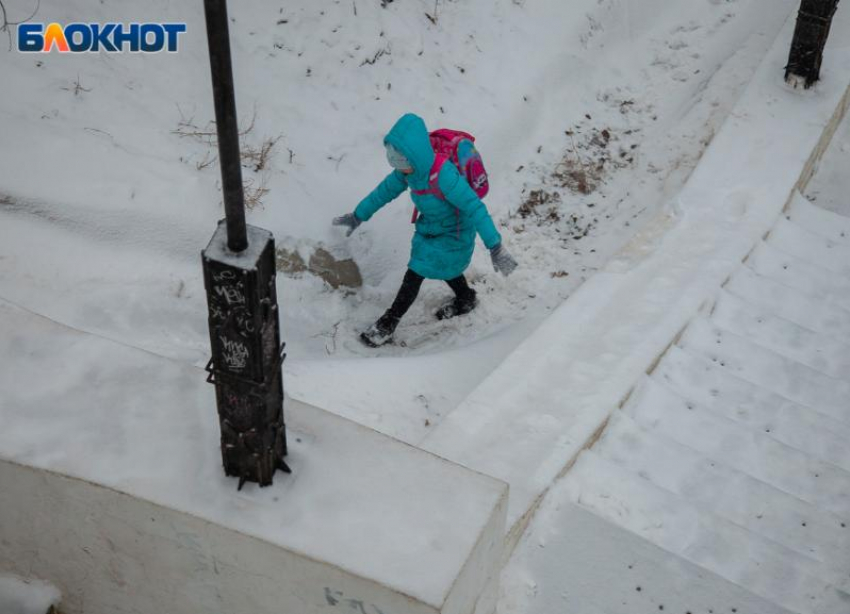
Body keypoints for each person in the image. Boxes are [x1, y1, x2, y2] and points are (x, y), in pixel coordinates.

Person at [334, 113, 518, 347]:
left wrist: (495, 246)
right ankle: (466, 298)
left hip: (455, 231)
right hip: (431, 228)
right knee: (443, 267)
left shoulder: (444, 175)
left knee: (417, 271)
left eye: (400, 160)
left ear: (415, 156)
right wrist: (357, 215)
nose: (397, 166)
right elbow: (383, 193)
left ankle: (388, 323)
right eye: (393, 159)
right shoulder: (408, 173)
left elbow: (474, 207)